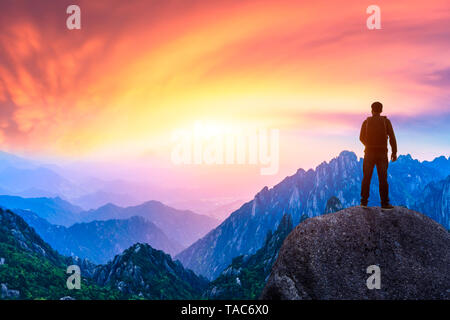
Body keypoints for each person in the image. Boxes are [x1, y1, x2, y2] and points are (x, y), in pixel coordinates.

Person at [359, 101, 397, 209]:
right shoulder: (386, 122)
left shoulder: (366, 122)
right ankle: (384, 203)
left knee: (366, 178)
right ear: (381, 110)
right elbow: (392, 138)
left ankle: (364, 202)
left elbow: (361, 137)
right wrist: (394, 152)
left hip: (369, 153)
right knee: (383, 179)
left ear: (372, 110)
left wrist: (369, 145)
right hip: (382, 153)